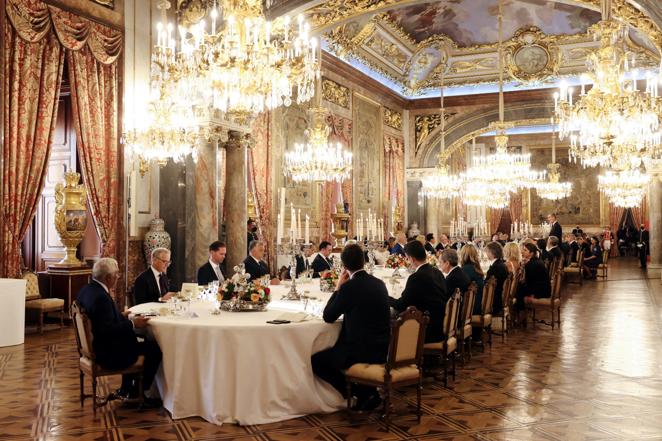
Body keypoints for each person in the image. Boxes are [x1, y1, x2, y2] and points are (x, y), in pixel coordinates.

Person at [311, 244, 391, 411]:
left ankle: (358, 393)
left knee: (317, 361)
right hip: (383, 348)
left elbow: (328, 316)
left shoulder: (349, 288)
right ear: (363, 261)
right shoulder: (379, 284)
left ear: (344, 266)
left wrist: (338, 287)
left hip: (359, 351)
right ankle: (366, 391)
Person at [76, 258, 162, 405]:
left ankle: (126, 388)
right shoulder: (101, 297)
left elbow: (99, 319)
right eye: (116, 274)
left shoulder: (87, 289)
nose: (117, 277)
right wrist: (133, 323)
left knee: (137, 342)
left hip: (94, 348)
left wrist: (120, 315)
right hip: (109, 353)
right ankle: (140, 393)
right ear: (108, 277)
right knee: (154, 349)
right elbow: (107, 330)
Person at [390, 240, 448, 343]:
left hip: (428, 329)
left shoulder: (416, 277)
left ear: (412, 259)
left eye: (407, 258)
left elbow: (402, 305)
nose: (408, 261)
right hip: (439, 324)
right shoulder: (437, 271)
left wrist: (386, 298)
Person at [515, 243, 551, 323]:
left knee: (518, 290)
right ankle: (521, 313)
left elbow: (530, 282)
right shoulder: (535, 261)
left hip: (541, 291)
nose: (522, 252)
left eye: (525, 250)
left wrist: (532, 294)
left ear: (531, 253)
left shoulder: (532, 264)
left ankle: (521, 314)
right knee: (519, 288)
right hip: (543, 288)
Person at [485, 241, 509, 315]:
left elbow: (487, 286)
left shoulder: (495, 268)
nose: (486, 254)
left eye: (487, 251)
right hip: (500, 297)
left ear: (492, 253)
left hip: (495, 301)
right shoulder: (501, 264)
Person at [458, 243, 484, 313]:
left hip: (471, 308)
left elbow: (460, 290)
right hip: (478, 304)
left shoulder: (465, 270)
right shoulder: (477, 268)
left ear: (463, 255)